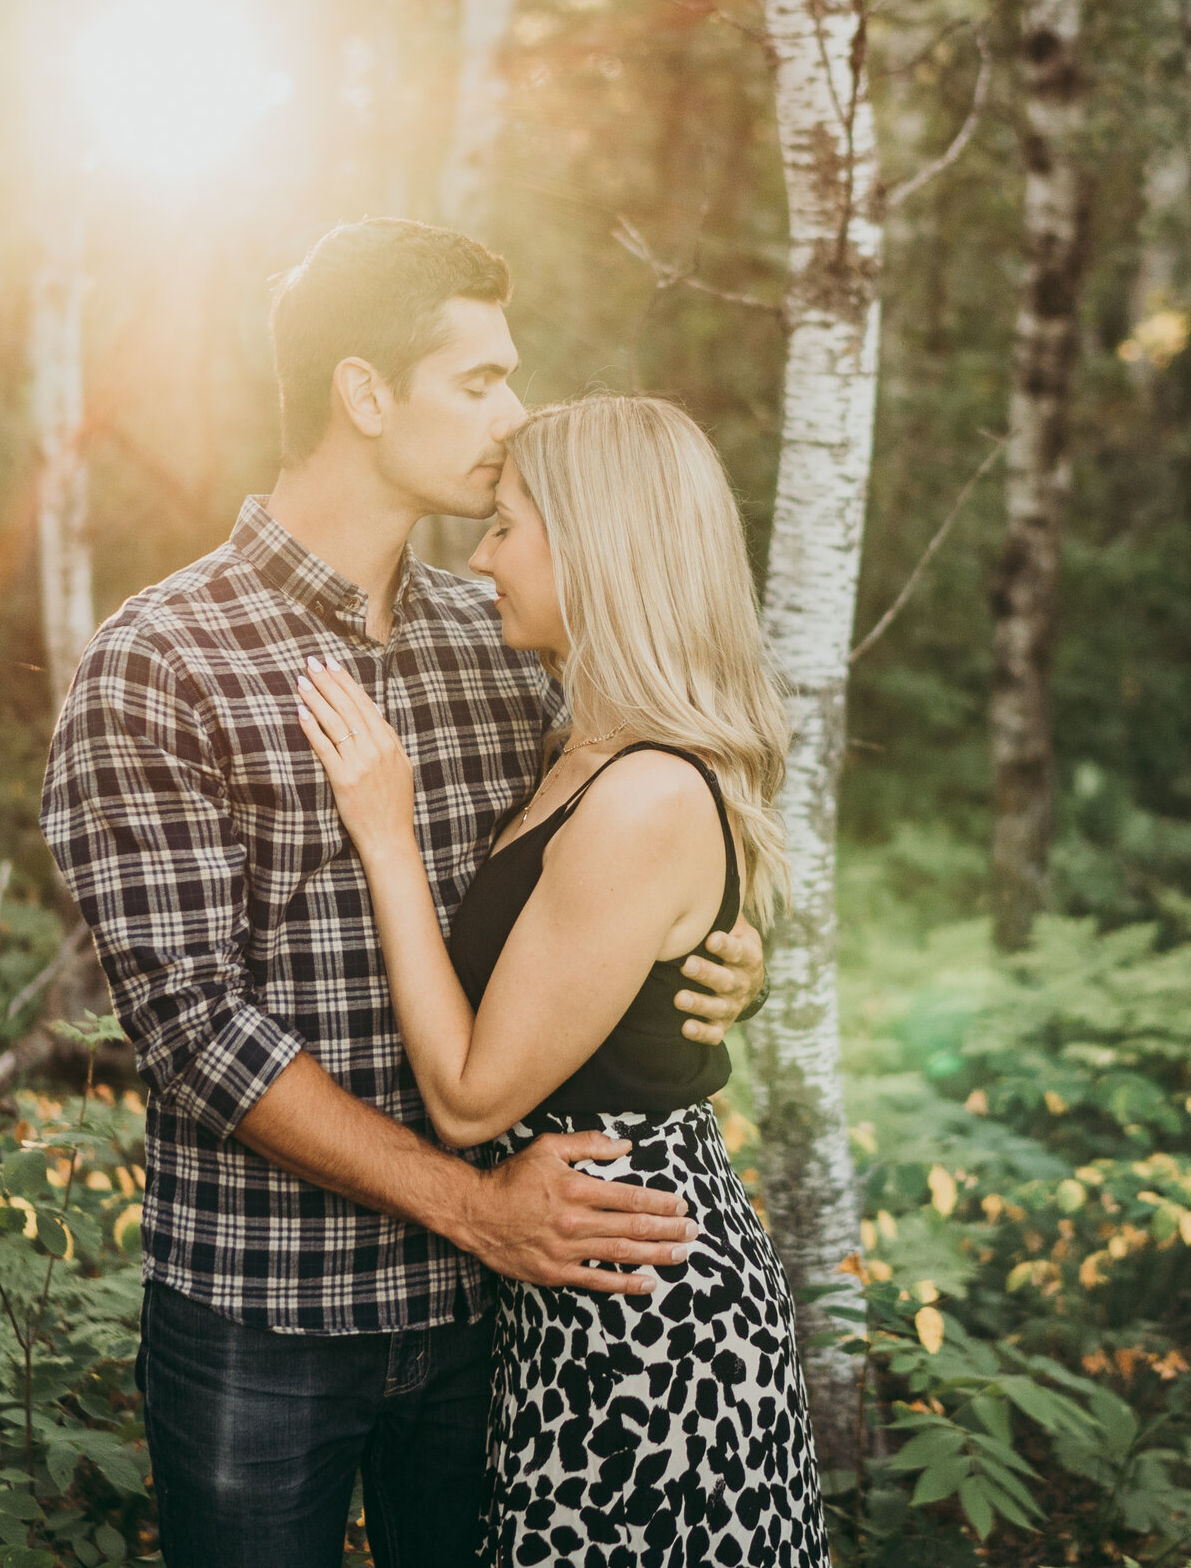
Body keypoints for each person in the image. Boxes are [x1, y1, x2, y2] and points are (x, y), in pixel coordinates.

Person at [39, 220, 769, 1568]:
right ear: (365, 393)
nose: (516, 412)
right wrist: (469, 1201)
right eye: (479, 380)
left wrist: (727, 955)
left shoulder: (499, 638)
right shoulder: (162, 657)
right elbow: (196, 1026)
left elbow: (615, 866)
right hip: (267, 1311)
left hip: (497, 1318)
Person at [292, 394, 826, 1568]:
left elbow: (473, 1098)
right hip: (572, 1287)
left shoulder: (639, 793)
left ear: (593, 548)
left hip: (649, 1321)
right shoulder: (576, 738)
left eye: (507, 523)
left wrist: (385, 831)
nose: (480, 552)